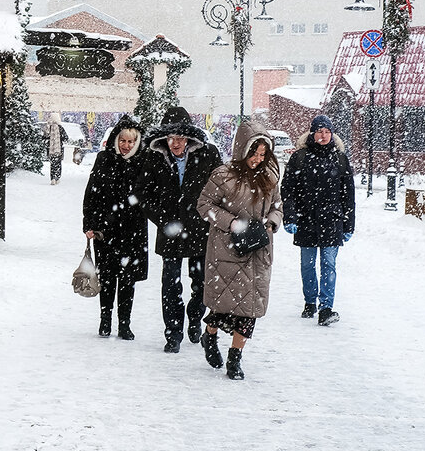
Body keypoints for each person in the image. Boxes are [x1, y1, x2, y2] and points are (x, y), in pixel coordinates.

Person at [196, 120, 282, 380]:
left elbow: (278, 206)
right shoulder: (223, 175)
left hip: (258, 252)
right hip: (228, 252)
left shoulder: (269, 178)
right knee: (223, 307)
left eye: (262, 154)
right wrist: (232, 223)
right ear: (242, 149)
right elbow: (204, 205)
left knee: (249, 310)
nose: (257, 159)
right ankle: (209, 336)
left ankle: (235, 358)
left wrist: (272, 222)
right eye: (253, 153)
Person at [137, 105, 223, 352]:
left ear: (189, 138)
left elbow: (220, 187)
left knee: (201, 284)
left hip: (200, 231)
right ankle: (173, 332)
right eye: (171, 138)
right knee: (171, 285)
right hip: (170, 232)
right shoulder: (153, 157)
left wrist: (210, 214)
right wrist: (163, 219)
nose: (176, 143)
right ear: (164, 138)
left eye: (181, 137)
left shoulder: (208, 154)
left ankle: (195, 318)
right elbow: (142, 194)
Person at [281, 114, 356, 327]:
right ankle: (309, 301)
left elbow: (348, 194)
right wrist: (291, 216)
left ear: (332, 134)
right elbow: (288, 190)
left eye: (326, 132)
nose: (323, 136)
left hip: (332, 220)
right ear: (312, 134)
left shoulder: (340, 159)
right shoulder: (300, 158)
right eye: (319, 132)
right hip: (306, 220)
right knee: (307, 264)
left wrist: (349, 224)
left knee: (328, 264)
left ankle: (326, 307)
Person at [82, 116, 148, 340]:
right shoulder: (104, 159)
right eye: (123, 141)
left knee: (128, 281)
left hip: (133, 231)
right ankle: (105, 320)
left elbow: (148, 195)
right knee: (107, 278)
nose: (126, 146)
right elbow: (91, 193)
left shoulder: (143, 162)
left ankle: (125, 324)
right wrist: (89, 224)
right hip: (106, 229)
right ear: (116, 140)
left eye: (131, 141)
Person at [46, 112, 66, 185]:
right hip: (59, 149)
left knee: (52, 164)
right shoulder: (60, 128)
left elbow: (44, 138)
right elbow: (66, 138)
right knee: (58, 164)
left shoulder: (48, 127)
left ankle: (52, 178)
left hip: (50, 150)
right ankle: (57, 177)